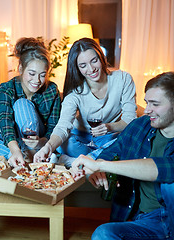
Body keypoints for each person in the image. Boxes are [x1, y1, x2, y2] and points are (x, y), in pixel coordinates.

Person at [70, 72, 174, 240]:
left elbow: (170, 168)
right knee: (103, 234)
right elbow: (112, 152)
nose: (146, 110)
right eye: (147, 103)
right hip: (146, 222)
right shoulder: (141, 125)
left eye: (155, 104)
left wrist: (101, 165)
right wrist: (96, 167)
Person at [34, 38, 137, 167]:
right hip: (81, 138)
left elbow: (130, 120)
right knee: (67, 144)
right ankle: (98, 159)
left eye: (94, 61)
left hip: (109, 137)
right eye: (83, 65)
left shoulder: (123, 79)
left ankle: (74, 161)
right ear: (77, 68)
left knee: (129, 141)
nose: (91, 69)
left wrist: (109, 127)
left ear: (101, 57)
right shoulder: (75, 93)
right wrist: (47, 147)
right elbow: (63, 126)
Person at [0, 37, 61, 167]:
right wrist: (14, 150)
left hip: (39, 142)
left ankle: (31, 153)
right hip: (14, 142)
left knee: (22, 104)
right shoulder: (7, 88)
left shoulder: (51, 90)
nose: (37, 80)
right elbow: (6, 123)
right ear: (21, 69)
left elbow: (54, 128)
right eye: (32, 73)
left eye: (42, 75)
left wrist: (39, 143)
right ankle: (20, 156)